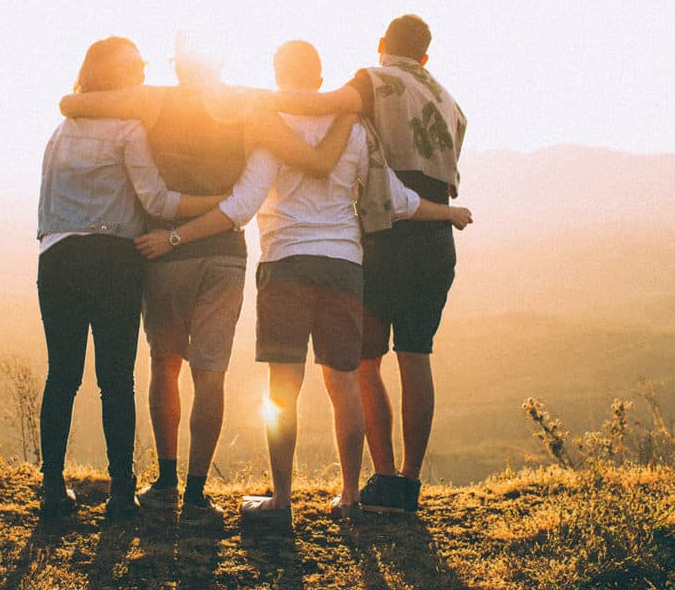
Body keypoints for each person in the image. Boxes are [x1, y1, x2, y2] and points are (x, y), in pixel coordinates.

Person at [137, 40, 471, 525]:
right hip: (344, 267)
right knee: (344, 385)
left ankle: (281, 502)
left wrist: (175, 236)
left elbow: (241, 206)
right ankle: (351, 497)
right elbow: (397, 199)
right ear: (319, 79)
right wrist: (449, 213)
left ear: (278, 74)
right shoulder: (355, 129)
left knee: (283, 388)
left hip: (286, 264)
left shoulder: (272, 126)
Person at [57, 35, 354, 524]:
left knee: (164, 364)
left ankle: (166, 481)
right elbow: (310, 158)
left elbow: (74, 103)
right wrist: (348, 110)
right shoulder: (249, 105)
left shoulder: (154, 100)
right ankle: (196, 496)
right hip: (224, 255)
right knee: (210, 373)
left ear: (178, 66)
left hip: (163, 253)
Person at [263, 15, 469, 513]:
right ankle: (410, 484)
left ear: (382, 45)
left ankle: (382, 477)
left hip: (385, 234)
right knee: (416, 356)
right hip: (435, 236)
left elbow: (319, 106)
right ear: (425, 56)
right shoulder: (449, 101)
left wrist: (252, 104)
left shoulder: (371, 80)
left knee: (365, 362)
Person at [37, 36, 226, 524]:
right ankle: (121, 493)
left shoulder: (61, 131)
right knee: (115, 379)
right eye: (133, 65)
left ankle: (53, 489)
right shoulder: (129, 128)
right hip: (112, 261)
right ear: (113, 76)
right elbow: (158, 202)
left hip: (56, 258)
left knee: (62, 376)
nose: (142, 69)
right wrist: (217, 204)